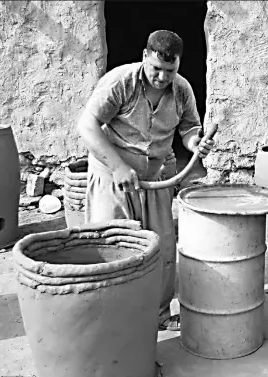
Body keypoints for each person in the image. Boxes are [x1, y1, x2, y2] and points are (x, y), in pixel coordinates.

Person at [77, 30, 215, 331]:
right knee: (111, 246)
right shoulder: (120, 82)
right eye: (156, 69)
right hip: (112, 176)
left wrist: (195, 144)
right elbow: (87, 126)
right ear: (144, 56)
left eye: (170, 70)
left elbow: (190, 128)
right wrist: (117, 166)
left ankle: (160, 315)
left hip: (156, 177)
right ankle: (110, 319)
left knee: (161, 250)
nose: (163, 77)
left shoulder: (182, 90)